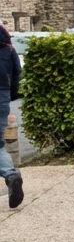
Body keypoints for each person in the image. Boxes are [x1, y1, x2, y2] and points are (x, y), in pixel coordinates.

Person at [0, 25, 23, 209]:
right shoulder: (8, 49)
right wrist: (10, 96)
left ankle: (10, 174)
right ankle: (11, 175)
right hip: (2, 97)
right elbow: (17, 74)